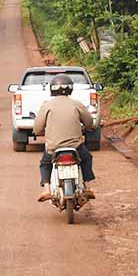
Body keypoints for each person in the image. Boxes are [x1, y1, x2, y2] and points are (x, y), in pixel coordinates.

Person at [32, 73, 96, 202]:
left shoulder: (47, 105)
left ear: (52, 89)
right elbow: (89, 123)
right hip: (76, 147)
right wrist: (87, 128)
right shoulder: (77, 104)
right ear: (70, 89)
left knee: (45, 164)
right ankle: (88, 187)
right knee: (86, 158)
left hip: (53, 148)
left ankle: (46, 190)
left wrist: (39, 132)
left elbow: (37, 128)